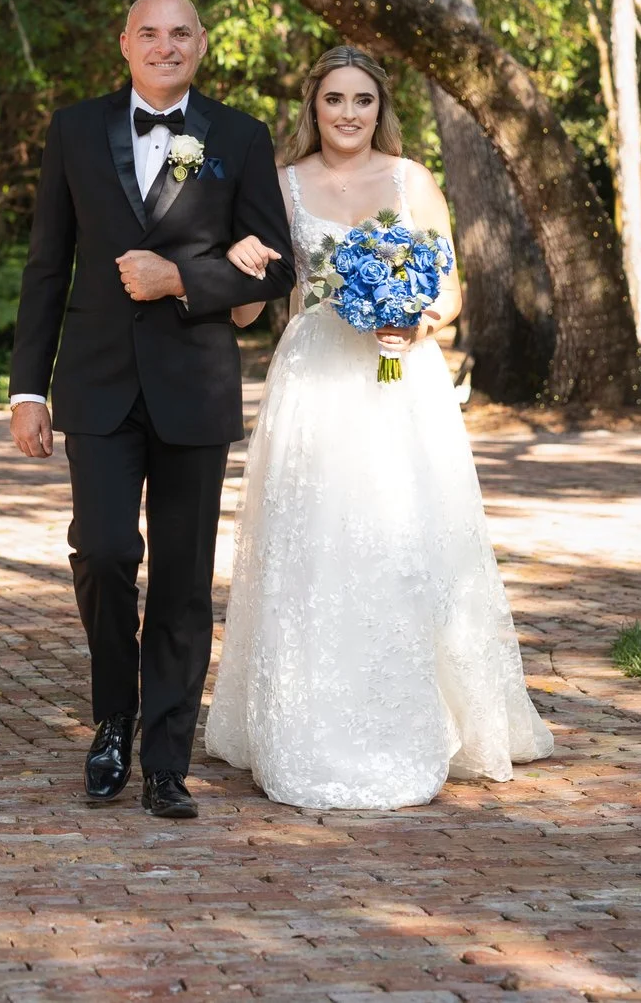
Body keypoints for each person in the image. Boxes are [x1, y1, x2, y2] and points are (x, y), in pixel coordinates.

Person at [204, 44, 553, 810]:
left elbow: (452, 290)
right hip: (315, 380)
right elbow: (249, 309)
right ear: (314, 107)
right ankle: (305, 722)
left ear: (379, 106)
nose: (349, 114)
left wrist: (421, 320)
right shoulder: (282, 185)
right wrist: (236, 263)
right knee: (317, 540)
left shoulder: (411, 179)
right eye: (335, 100)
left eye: (362, 100)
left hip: (401, 380)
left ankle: (424, 715)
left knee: (405, 540)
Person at [8, 0, 297, 820]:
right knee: (101, 552)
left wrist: (185, 279)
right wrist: (29, 387)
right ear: (123, 42)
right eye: (150, 33)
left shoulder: (238, 136)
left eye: (180, 34)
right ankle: (111, 721)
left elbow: (273, 267)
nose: (165, 46)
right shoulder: (72, 129)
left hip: (194, 385)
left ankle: (166, 760)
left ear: (201, 44)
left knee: (180, 580)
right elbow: (46, 266)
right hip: (95, 383)